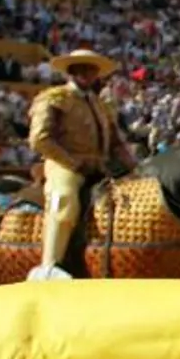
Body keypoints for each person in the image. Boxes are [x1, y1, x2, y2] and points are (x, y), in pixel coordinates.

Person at [27, 48, 135, 280]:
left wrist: (135, 166)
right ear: (71, 71)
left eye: (91, 69)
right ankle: (49, 266)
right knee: (64, 195)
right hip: (64, 164)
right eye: (82, 69)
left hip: (101, 166)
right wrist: (74, 163)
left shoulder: (101, 105)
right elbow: (40, 139)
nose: (87, 73)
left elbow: (117, 143)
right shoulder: (55, 98)